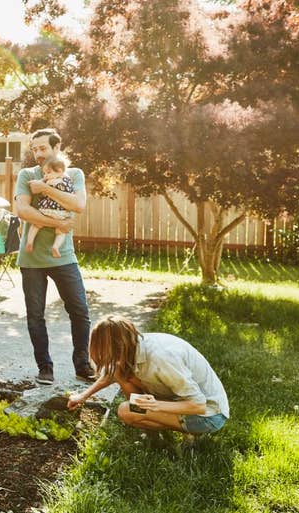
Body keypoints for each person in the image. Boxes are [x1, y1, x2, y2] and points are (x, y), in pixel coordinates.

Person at [14, 128, 93, 385]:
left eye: (42, 148)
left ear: (56, 147)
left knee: (80, 311)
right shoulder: (26, 175)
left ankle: (82, 364)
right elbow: (23, 210)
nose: (37, 154)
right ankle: (44, 366)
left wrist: (46, 190)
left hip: (64, 256)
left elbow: (78, 205)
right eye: (34, 149)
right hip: (32, 259)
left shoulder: (74, 174)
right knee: (35, 315)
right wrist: (59, 223)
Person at [67, 315, 229, 436]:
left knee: (126, 411)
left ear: (119, 347)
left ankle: (183, 432)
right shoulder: (134, 344)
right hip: (179, 400)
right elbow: (111, 374)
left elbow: (198, 405)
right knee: (121, 372)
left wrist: (155, 406)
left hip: (208, 416)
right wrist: (83, 396)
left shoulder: (162, 358)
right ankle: (153, 422)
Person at [25, 156, 74, 258]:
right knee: (61, 232)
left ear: (59, 171)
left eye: (48, 173)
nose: (46, 175)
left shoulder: (55, 181)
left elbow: (42, 186)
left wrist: (39, 182)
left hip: (47, 210)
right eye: (44, 173)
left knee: (36, 225)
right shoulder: (67, 180)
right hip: (61, 214)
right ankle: (55, 247)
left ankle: (30, 242)